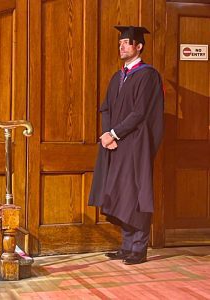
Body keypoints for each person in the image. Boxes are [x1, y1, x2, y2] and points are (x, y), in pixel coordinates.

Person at [88, 26, 164, 265]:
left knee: (137, 193)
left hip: (136, 145)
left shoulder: (148, 75)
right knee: (121, 193)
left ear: (138, 46)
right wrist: (106, 136)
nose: (121, 47)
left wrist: (113, 133)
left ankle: (139, 249)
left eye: (126, 43)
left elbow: (139, 113)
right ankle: (126, 246)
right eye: (120, 43)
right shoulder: (117, 76)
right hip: (116, 144)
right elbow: (107, 108)